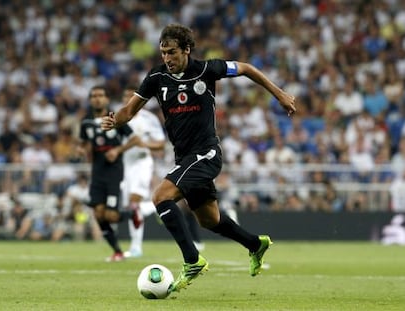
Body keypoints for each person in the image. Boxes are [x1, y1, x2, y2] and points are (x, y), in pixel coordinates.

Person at [101, 24, 296, 292]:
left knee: (160, 197)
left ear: (186, 49)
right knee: (209, 220)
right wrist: (115, 119)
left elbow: (247, 68)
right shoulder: (157, 77)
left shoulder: (208, 69)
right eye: (163, 53)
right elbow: (129, 110)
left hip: (206, 153)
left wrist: (280, 95)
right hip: (184, 158)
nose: (167, 58)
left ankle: (192, 261)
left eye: (172, 52)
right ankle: (255, 244)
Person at [78, 85, 142, 262]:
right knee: (98, 214)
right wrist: (82, 150)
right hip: (97, 173)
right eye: (94, 96)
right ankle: (117, 251)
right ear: (90, 100)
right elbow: (84, 143)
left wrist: (118, 150)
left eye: (101, 95)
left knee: (111, 216)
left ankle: (132, 213)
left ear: (106, 99)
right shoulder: (86, 123)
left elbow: (135, 139)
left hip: (114, 172)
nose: (97, 99)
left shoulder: (116, 118)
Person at [119, 87, 166, 258]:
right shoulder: (119, 116)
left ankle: (136, 247)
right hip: (123, 164)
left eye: (132, 97)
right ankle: (152, 207)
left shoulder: (149, 119)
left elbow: (160, 144)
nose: (128, 100)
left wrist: (144, 145)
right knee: (128, 206)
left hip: (141, 162)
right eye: (126, 96)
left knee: (133, 202)